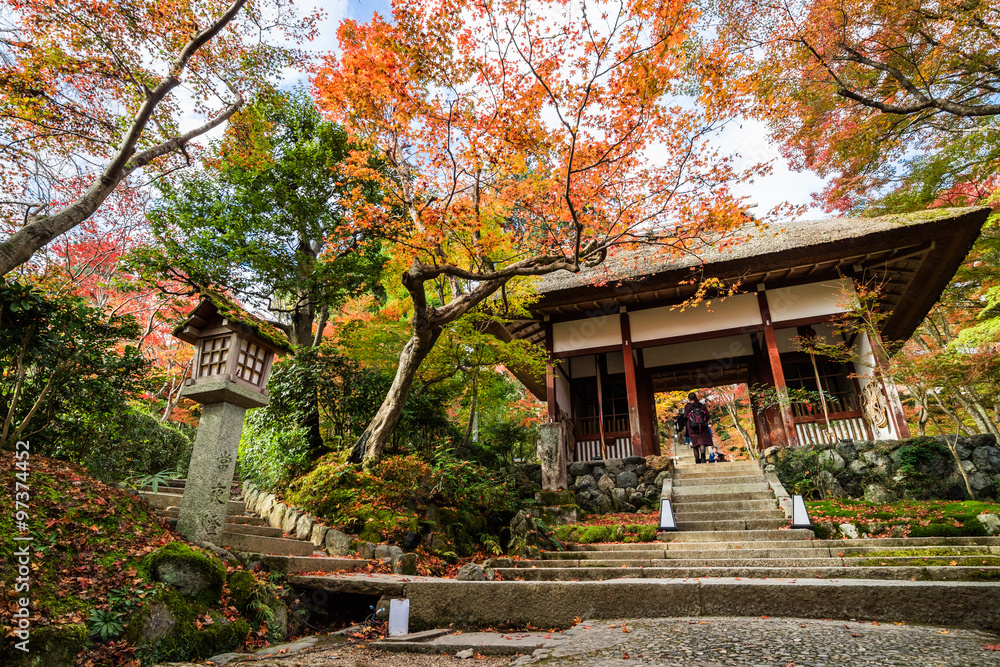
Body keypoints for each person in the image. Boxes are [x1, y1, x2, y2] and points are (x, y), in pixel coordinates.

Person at [684, 392, 713, 464]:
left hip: (692, 427)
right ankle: (703, 459)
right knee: (702, 442)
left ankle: (697, 460)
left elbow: (684, 416)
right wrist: (703, 421)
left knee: (695, 444)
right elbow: (708, 415)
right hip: (702, 427)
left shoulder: (688, 406)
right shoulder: (702, 406)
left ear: (689, 398)